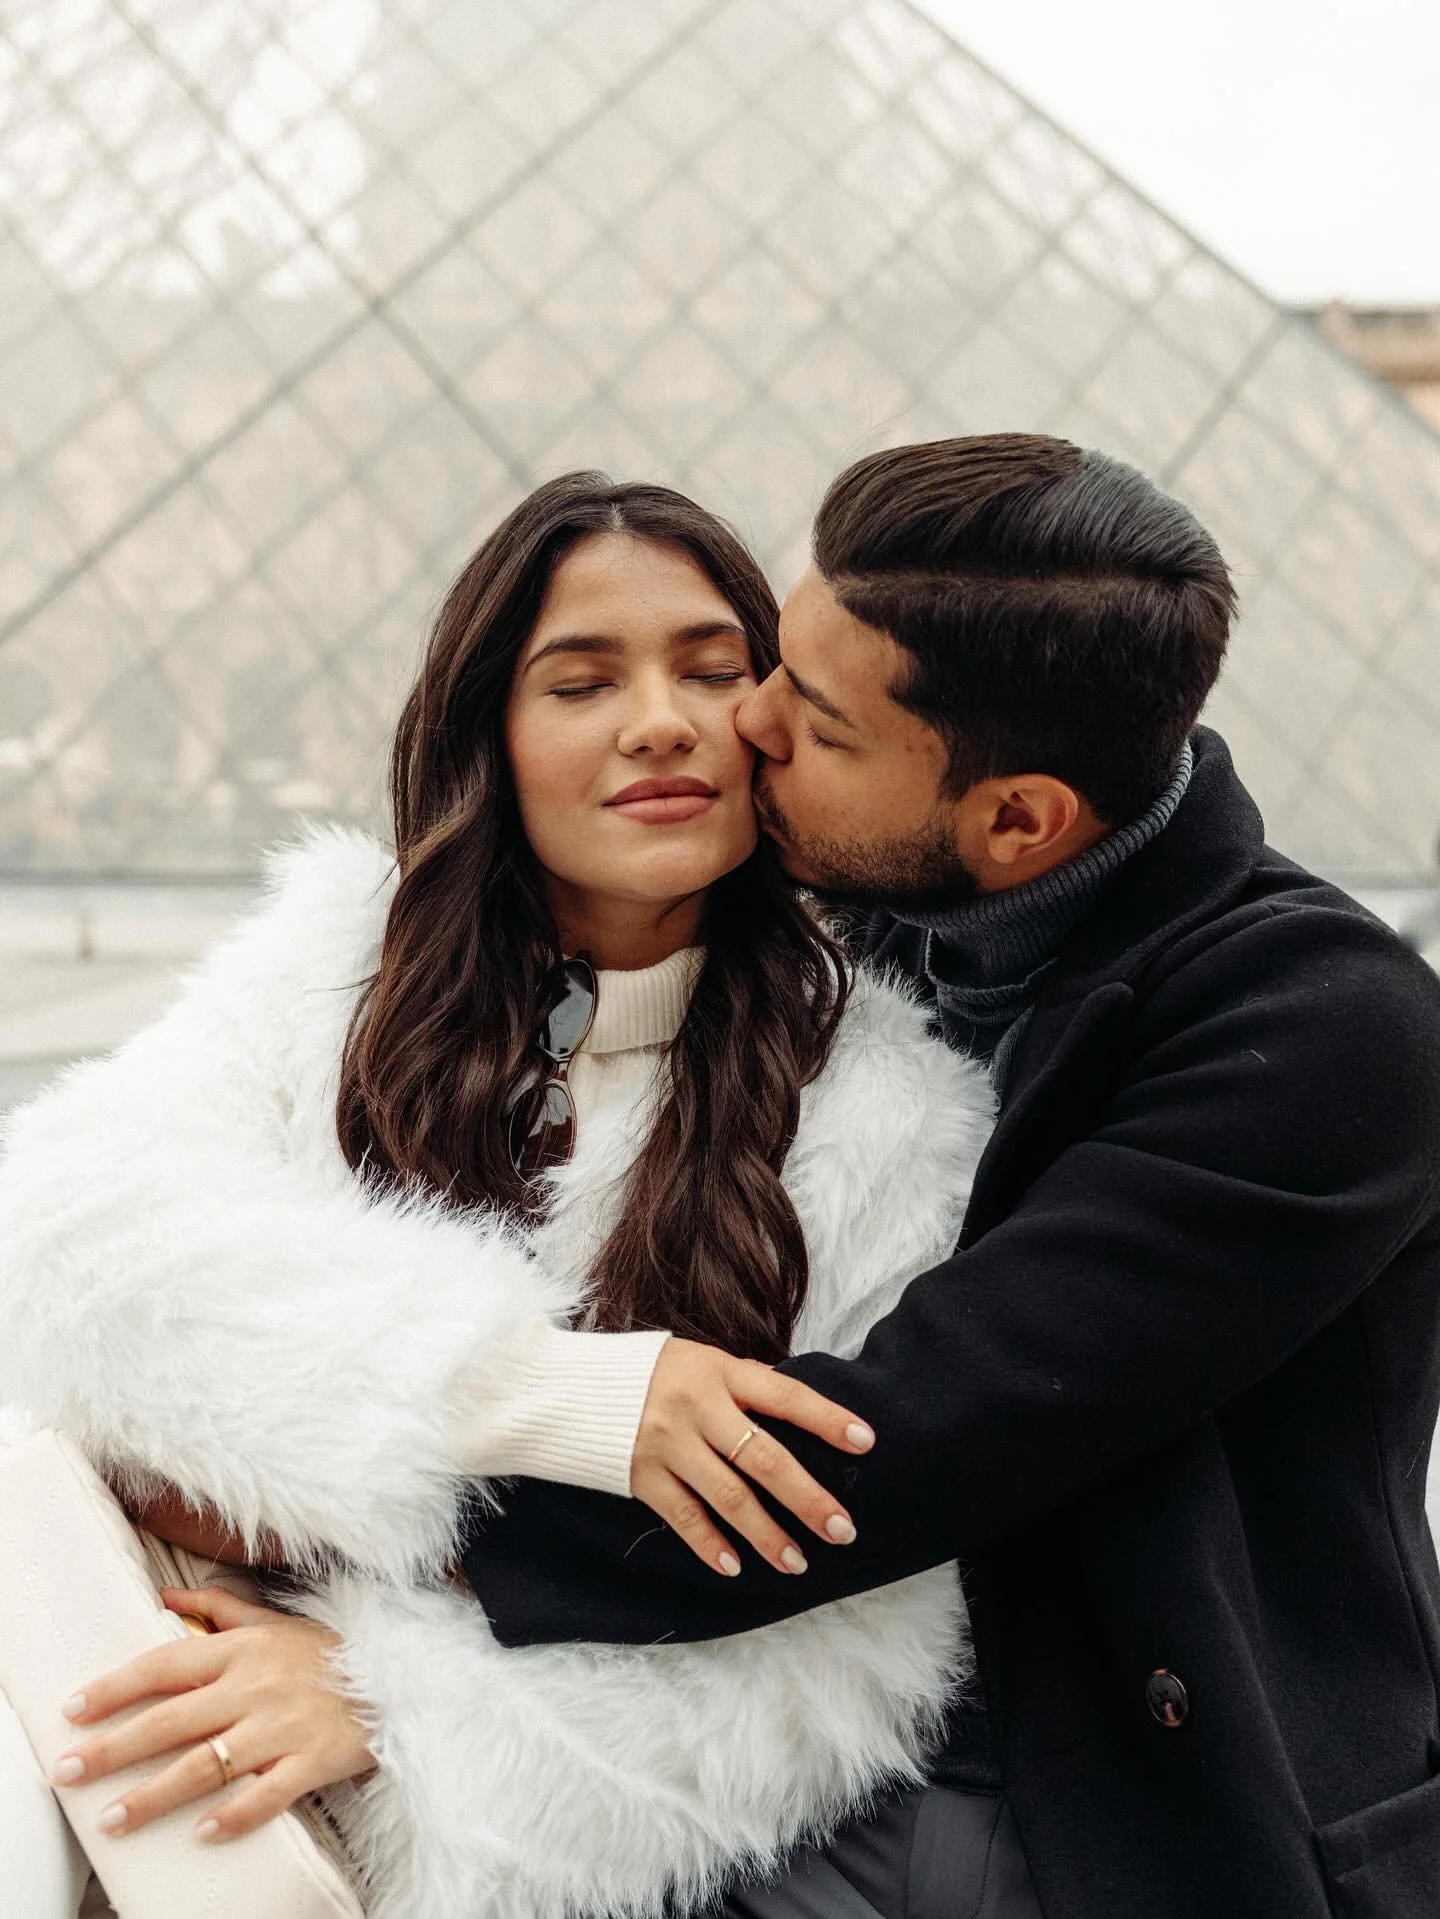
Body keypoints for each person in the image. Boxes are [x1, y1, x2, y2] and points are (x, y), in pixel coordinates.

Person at [457, 437, 1440, 1919]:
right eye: (776, 660)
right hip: (789, 1750)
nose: (745, 722)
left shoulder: (1326, 1030)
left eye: (817, 721)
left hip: (1128, 1822)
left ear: (1018, 820)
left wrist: (406, 1582)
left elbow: (913, 1435)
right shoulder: (843, 918)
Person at [0, 475, 1000, 1919]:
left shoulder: (887, 1116)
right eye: (581, 682)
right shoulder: (329, 974)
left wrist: (384, 1699)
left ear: (777, 719)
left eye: (711, 670)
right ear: (493, 735)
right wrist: (546, 1396)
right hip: (136, 1725)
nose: (658, 721)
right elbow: (63, 1241)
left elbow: (853, 1642)